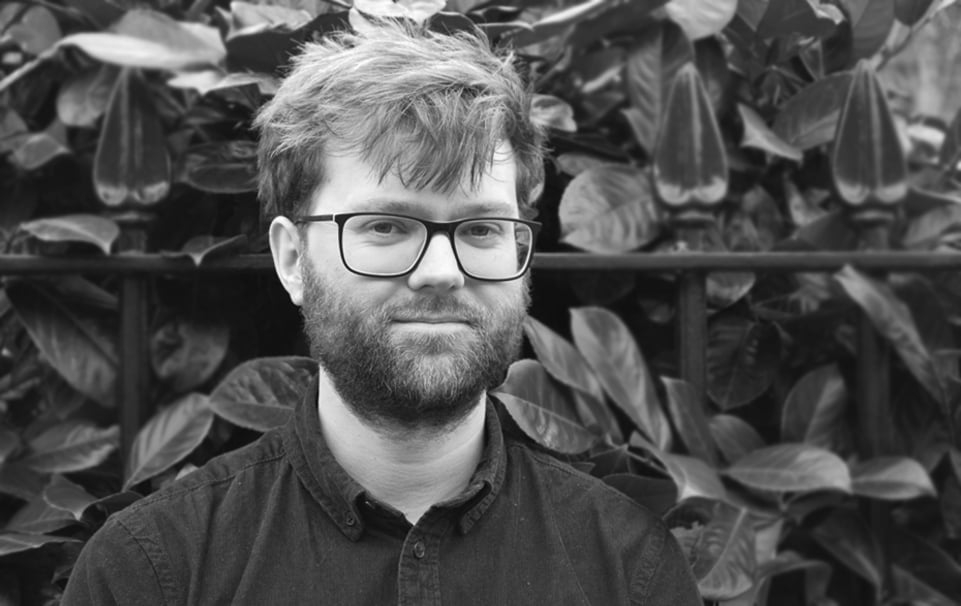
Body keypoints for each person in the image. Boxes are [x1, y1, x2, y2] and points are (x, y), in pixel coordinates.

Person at [62, 20, 701, 605]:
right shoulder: (151, 572)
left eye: (481, 229)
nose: (442, 271)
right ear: (292, 259)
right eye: (387, 226)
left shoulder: (629, 570)